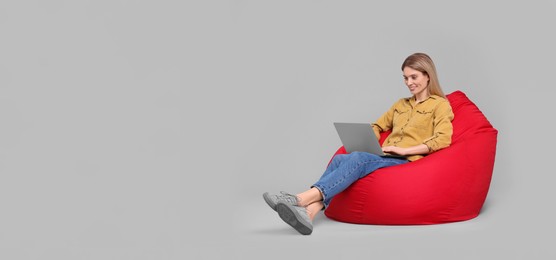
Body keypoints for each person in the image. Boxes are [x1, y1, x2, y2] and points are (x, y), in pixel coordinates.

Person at [263, 53, 454, 235]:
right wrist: (367, 139)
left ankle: (298, 199)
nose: (409, 83)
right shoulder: (401, 104)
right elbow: (378, 125)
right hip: (385, 155)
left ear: (428, 76)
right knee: (339, 159)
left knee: (359, 158)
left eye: (414, 77)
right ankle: (310, 213)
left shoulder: (439, 105)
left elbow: (442, 139)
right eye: (405, 78)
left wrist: (403, 149)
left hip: (406, 160)